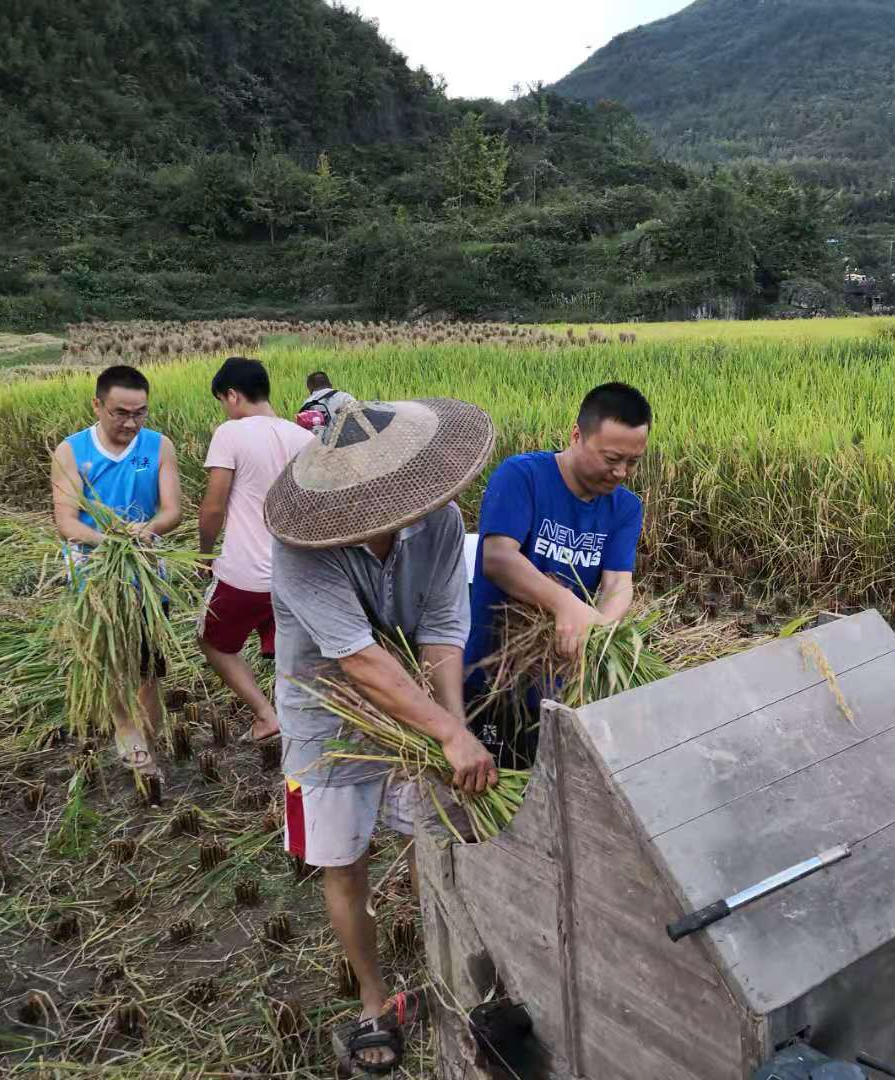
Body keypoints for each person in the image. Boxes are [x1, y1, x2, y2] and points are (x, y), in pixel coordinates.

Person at [264, 396, 498, 1073]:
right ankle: (372, 1000)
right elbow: (360, 660)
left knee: (435, 837)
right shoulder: (302, 547)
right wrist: (445, 732)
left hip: (413, 712)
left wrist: (452, 732)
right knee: (344, 862)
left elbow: (442, 630)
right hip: (326, 722)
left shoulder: (440, 520)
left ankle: (446, 973)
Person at [463, 382, 652, 764]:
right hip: (492, 676)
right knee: (489, 782)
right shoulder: (523, 476)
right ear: (576, 435)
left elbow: (618, 582)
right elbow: (498, 558)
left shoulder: (625, 508)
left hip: (559, 684)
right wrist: (566, 604)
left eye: (633, 461)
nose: (621, 472)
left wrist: (599, 632)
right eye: (611, 458)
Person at [50, 364, 182, 778]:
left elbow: (172, 510)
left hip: (146, 570)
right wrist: (107, 541)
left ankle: (148, 741)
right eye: (120, 413)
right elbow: (66, 521)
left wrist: (148, 529)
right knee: (108, 658)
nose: (130, 422)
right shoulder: (72, 451)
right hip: (94, 574)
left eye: (139, 413)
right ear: (97, 405)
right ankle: (125, 729)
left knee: (146, 663)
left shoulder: (158, 446)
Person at [197, 356, 313, 743]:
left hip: (245, 574)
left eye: (222, 401)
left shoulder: (230, 433)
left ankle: (266, 716)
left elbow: (213, 507)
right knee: (289, 649)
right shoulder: (304, 438)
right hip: (295, 573)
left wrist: (204, 553)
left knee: (212, 642)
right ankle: (302, 719)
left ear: (232, 395)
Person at [300, 370, 356, 435]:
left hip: (321, 439)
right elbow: (358, 414)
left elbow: (305, 432)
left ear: (310, 389)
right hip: (349, 437)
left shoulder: (307, 404)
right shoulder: (345, 396)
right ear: (330, 384)